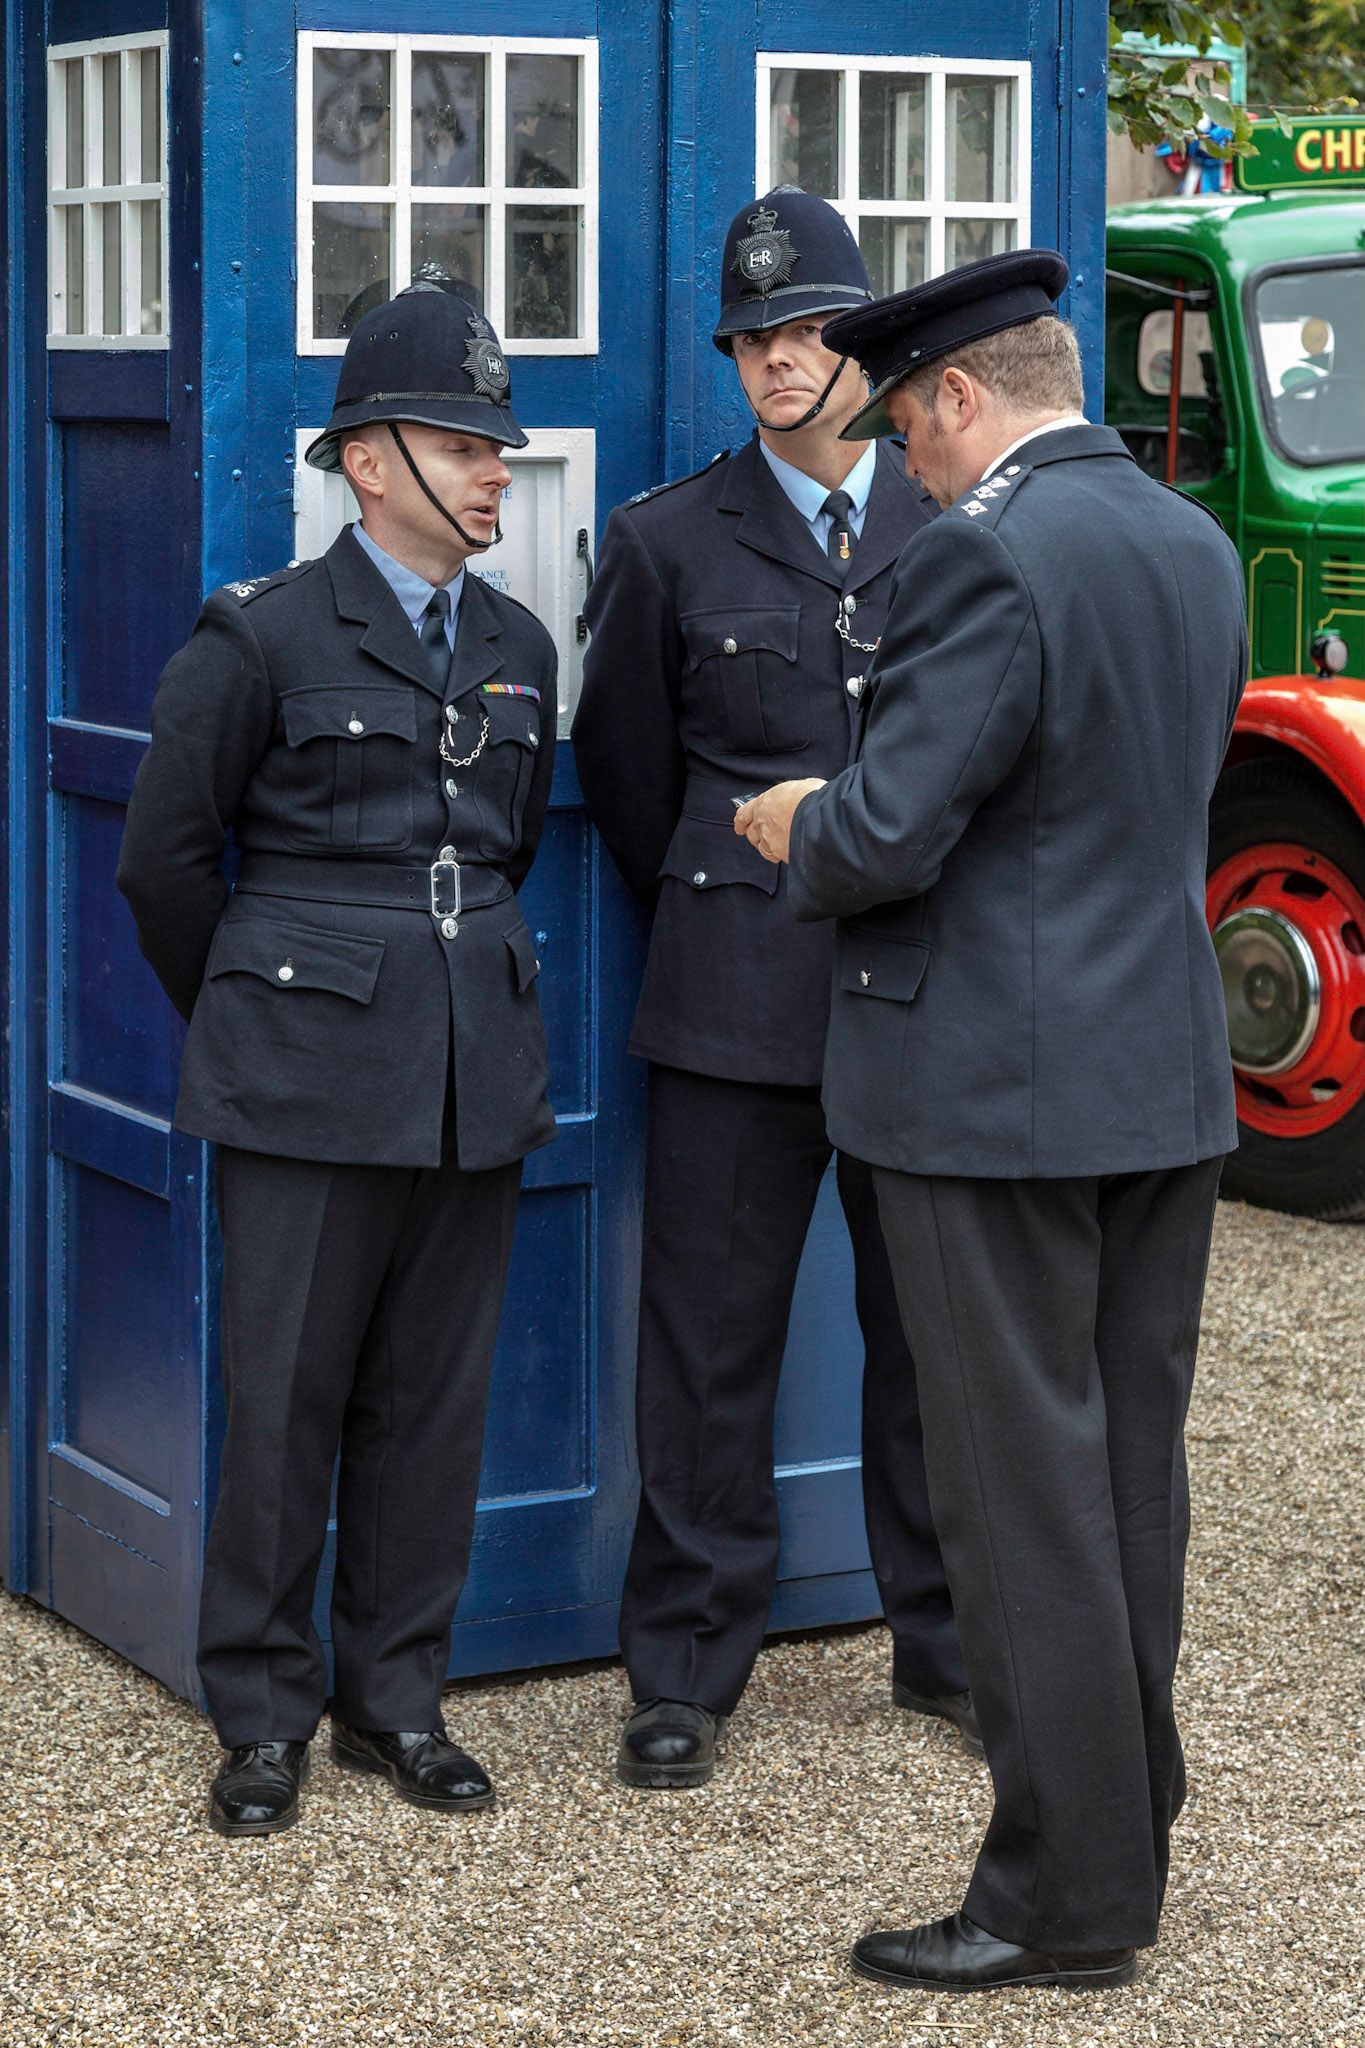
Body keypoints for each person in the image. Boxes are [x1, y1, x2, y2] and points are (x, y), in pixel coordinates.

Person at [736, 250, 1246, 1991]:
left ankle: (1056, 1898)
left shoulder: (985, 550)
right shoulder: (1184, 540)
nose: (910, 469)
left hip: (985, 1097)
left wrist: (797, 820)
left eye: (912, 428)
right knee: (1121, 1485)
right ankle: (1125, 1824)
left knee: (1017, 1502)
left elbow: (890, 833)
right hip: (1157, 1084)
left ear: (958, 394)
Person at [118, 283, 559, 1837]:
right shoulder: (263, 634)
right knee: (286, 1397)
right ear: (371, 462)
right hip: (303, 1077)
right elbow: (165, 866)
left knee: (432, 1408)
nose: (499, 470)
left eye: (497, 447)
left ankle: (398, 1699)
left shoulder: (515, 643)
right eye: (464, 443)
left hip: (469, 1074)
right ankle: (259, 1710)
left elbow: (503, 847)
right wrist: (259, 1021)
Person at [572, 187, 973, 1792]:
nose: (774, 360)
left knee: (934, 1340)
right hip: (732, 1005)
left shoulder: (955, 531)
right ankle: (684, 1664)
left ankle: (944, 1645)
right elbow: (627, 778)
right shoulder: (667, 539)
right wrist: (734, 904)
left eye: (804, 329)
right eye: (749, 337)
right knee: (707, 1348)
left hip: (919, 998)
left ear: (863, 344)